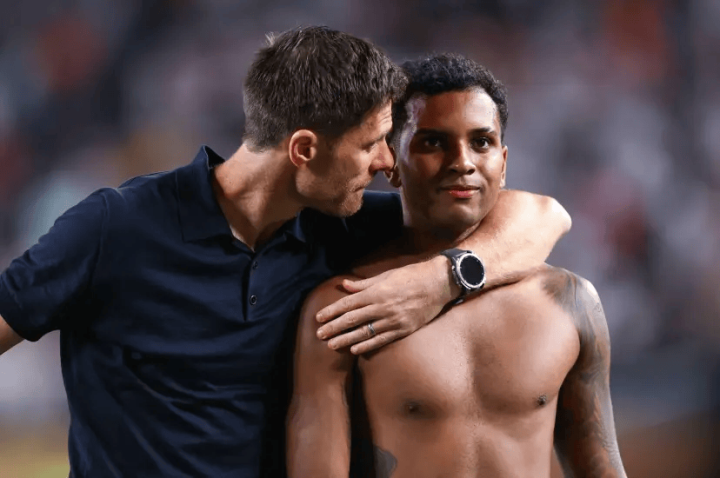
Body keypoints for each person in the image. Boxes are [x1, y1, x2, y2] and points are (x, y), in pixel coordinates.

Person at [0, 28, 570, 478]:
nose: (385, 164)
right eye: (371, 143)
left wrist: (443, 279)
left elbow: (542, 215)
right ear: (304, 149)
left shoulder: (336, 226)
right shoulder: (115, 227)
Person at [288, 54, 627, 478]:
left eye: (481, 142)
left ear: (504, 163)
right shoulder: (345, 308)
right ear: (392, 163)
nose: (462, 161)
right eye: (433, 142)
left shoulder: (572, 303)